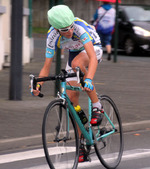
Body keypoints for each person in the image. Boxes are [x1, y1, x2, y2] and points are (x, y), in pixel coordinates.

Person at [31, 5, 103, 162]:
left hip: (93, 49)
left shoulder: (80, 28)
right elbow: (46, 66)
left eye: (70, 27)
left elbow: (91, 57)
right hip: (75, 54)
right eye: (64, 30)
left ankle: (98, 106)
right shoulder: (51, 36)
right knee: (72, 103)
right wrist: (39, 85)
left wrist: (89, 79)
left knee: (78, 64)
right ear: (56, 29)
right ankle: (82, 143)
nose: (69, 32)